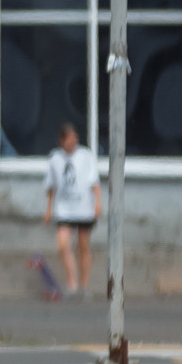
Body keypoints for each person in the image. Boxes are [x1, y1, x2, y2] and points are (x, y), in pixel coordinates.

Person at [43, 122, 102, 297]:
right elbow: (51, 186)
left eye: (75, 137)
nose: (73, 141)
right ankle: (72, 284)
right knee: (63, 245)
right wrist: (49, 209)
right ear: (62, 140)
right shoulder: (55, 158)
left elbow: (94, 182)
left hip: (84, 208)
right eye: (69, 138)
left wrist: (98, 203)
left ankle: (84, 287)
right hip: (64, 209)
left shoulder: (85, 155)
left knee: (83, 247)